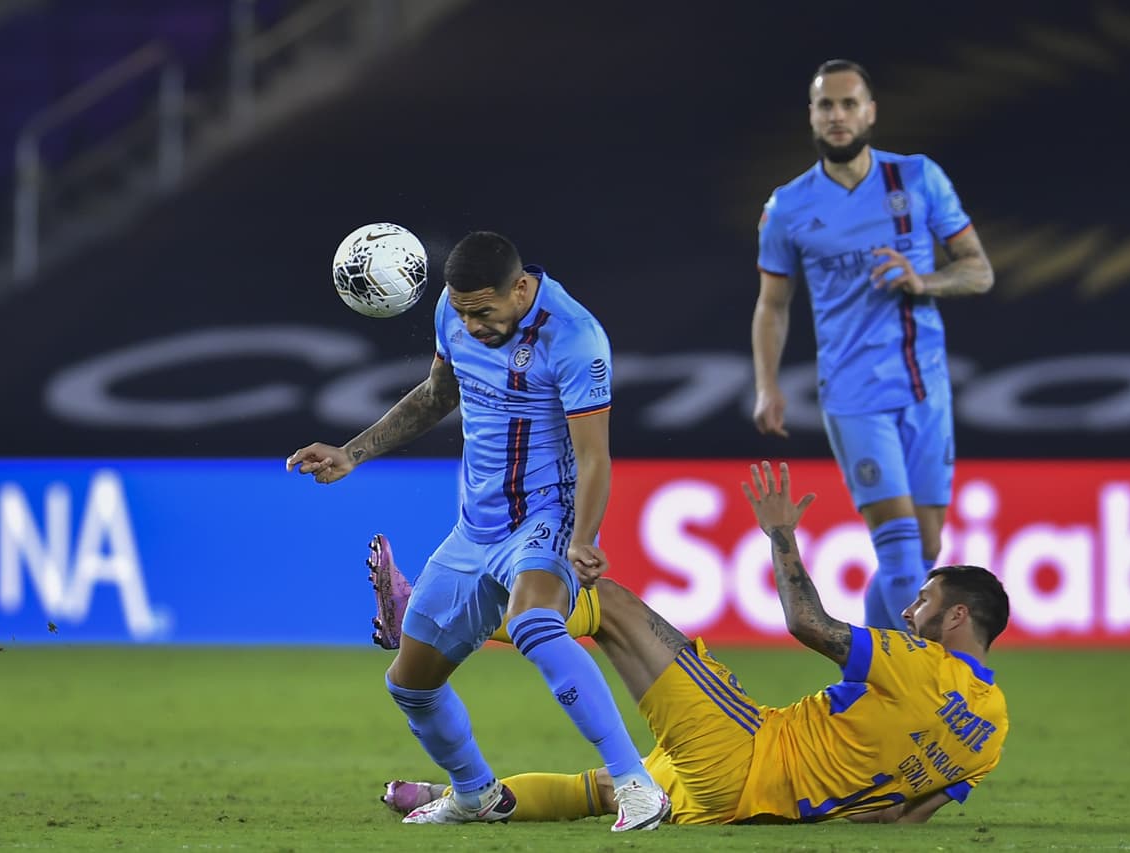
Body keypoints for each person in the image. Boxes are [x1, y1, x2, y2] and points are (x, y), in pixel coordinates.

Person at [286, 231, 670, 831]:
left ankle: (635, 783)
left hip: (544, 519)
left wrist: (583, 537)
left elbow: (594, 455)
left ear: (520, 289)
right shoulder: (454, 309)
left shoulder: (575, 338)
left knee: (535, 622)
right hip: (474, 529)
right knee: (410, 684)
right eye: (461, 311)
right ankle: (475, 794)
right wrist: (352, 453)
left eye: (483, 313)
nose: (470, 325)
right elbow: (436, 396)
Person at [383, 461, 1011, 826]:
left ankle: (435, 624)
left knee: (617, 607)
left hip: (747, 751)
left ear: (959, 616)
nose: (908, 609)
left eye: (923, 601)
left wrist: (781, 535)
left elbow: (808, 625)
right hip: (753, 811)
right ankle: (436, 799)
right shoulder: (992, 730)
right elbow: (901, 818)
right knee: (600, 789)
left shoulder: (920, 664)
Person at [751, 59, 995, 631]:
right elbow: (773, 304)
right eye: (826, 105)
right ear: (811, 117)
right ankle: (906, 686)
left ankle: (867, 675)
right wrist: (767, 385)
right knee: (903, 555)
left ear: (870, 112)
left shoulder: (916, 179)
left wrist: (923, 280)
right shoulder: (787, 207)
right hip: (855, 394)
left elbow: (978, 271)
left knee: (927, 553)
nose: (838, 116)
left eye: (849, 103)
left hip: (925, 387)